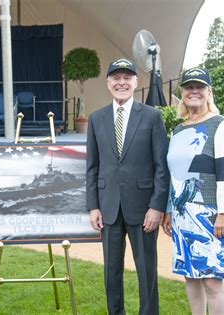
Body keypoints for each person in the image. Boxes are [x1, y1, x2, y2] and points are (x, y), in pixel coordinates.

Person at [86, 58, 169, 315]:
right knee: (111, 272)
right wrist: (93, 206)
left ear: (135, 82)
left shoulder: (153, 116)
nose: (121, 82)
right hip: (109, 209)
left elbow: (161, 167)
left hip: (143, 210)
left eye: (127, 78)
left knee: (146, 271)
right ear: (108, 83)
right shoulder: (96, 118)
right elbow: (92, 166)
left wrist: (157, 206)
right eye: (116, 78)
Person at [162, 67, 224, 315]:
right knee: (190, 277)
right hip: (182, 215)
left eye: (199, 87)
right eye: (188, 87)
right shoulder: (178, 130)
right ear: (182, 93)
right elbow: (173, 175)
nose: (194, 91)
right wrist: (169, 211)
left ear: (208, 92)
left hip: (211, 214)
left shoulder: (220, 125)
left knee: (211, 280)